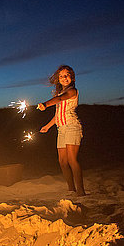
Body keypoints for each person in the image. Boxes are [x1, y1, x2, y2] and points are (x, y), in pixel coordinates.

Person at [37, 65, 86, 196]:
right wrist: (48, 126)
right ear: (58, 79)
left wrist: (46, 104)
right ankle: (71, 190)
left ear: (72, 77)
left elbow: (59, 99)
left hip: (72, 126)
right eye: (61, 76)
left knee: (72, 160)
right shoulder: (59, 93)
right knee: (62, 161)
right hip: (61, 129)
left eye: (67, 75)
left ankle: (81, 191)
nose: (64, 78)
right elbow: (58, 114)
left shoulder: (72, 91)